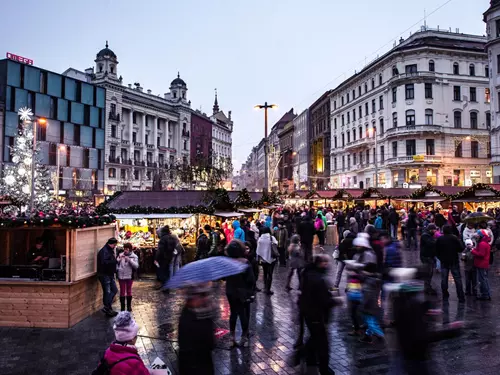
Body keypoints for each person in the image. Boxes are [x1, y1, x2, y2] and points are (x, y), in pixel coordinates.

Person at [298, 254, 338, 375]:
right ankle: (323, 369)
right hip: (316, 314)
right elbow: (324, 300)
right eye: (325, 262)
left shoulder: (310, 274)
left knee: (314, 338)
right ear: (319, 263)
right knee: (322, 343)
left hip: (308, 313)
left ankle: (309, 360)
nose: (327, 264)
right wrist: (336, 300)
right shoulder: (317, 279)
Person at [178, 283, 215, 374]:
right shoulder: (188, 317)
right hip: (192, 366)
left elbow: (211, 343)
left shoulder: (205, 312)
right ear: (193, 297)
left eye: (205, 295)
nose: (205, 298)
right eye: (202, 295)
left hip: (204, 363)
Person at [225, 240, 255, 347]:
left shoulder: (227, 263)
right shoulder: (245, 262)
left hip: (230, 291)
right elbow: (251, 280)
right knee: (243, 314)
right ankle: (244, 337)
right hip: (242, 292)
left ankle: (232, 338)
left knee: (233, 314)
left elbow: (224, 277)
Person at [435, 225, 465, 302]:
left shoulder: (440, 239)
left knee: (444, 279)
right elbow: (461, 248)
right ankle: (461, 296)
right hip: (454, 260)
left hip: (444, 261)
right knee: (457, 279)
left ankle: (445, 295)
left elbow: (436, 251)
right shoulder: (454, 238)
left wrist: (441, 258)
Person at [97, 238, 119, 317]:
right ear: (112, 244)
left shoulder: (108, 250)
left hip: (109, 274)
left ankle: (107, 307)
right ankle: (107, 308)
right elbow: (105, 262)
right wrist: (116, 261)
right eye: (115, 245)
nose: (115, 246)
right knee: (108, 292)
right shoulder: (104, 251)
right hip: (104, 274)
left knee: (114, 290)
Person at [116, 243, 140, 312]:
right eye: (124, 248)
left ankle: (129, 306)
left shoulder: (134, 256)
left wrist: (129, 260)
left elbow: (136, 266)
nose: (125, 250)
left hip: (129, 276)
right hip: (121, 276)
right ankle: (122, 307)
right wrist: (118, 266)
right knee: (122, 291)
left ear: (130, 249)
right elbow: (116, 264)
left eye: (127, 249)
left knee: (129, 291)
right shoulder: (120, 255)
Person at [256, 226, 278, 295]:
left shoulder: (260, 239)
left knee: (265, 273)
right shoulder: (272, 238)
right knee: (270, 274)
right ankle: (268, 289)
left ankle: (265, 287)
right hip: (271, 258)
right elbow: (276, 244)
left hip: (263, 260)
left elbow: (258, 250)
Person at [471, 229, 492, 301]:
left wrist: (472, 251)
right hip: (484, 263)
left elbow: (481, 254)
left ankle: (485, 294)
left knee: (482, 279)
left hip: (481, 263)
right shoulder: (485, 243)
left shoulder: (482, 244)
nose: (477, 237)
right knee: (484, 279)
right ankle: (487, 294)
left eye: (478, 235)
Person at [420, 224, 437, 295]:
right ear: (430, 229)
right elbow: (431, 243)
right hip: (426, 256)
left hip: (429, 256)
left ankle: (427, 286)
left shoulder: (428, 235)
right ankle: (427, 287)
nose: (435, 231)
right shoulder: (425, 235)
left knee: (429, 272)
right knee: (428, 272)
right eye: (434, 229)